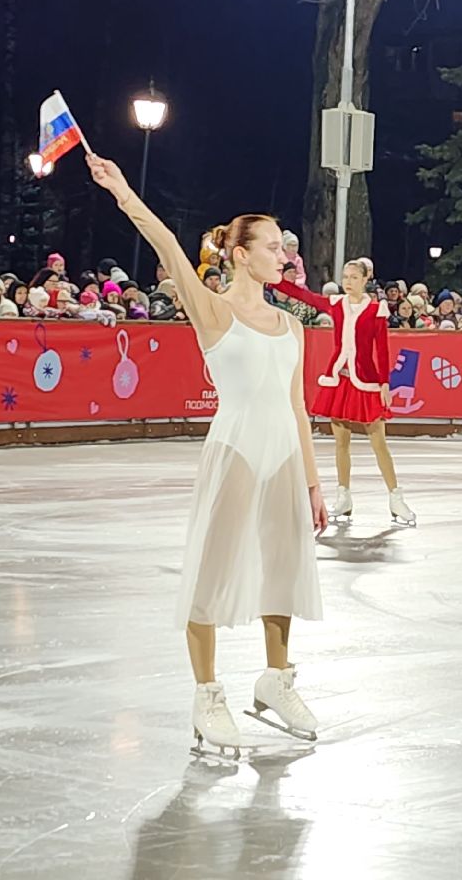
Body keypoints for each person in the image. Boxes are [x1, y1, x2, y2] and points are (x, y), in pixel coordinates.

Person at [91, 152, 327, 756]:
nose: (286, 255)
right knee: (212, 573)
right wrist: (122, 190)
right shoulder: (214, 310)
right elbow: (167, 243)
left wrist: (313, 482)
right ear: (241, 253)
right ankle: (207, 695)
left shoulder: (291, 325)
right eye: (274, 247)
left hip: (283, 456)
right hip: (237, 451)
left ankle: (276, 680)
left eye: (285, 247)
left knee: (284, 568)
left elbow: (298, 406)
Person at [270, 258, 418, 526]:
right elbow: (303, 294)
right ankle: (344, 497)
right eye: (345, 277)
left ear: (365, 280)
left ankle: (396, 498)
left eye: (353, 277)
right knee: (341, 442)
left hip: (367, 382)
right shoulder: (336, 304)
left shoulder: (376, 311)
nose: (348, 282)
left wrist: (384, 384)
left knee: (379, 443)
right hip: (338, 379)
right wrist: (271, 278)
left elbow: (382, 350)